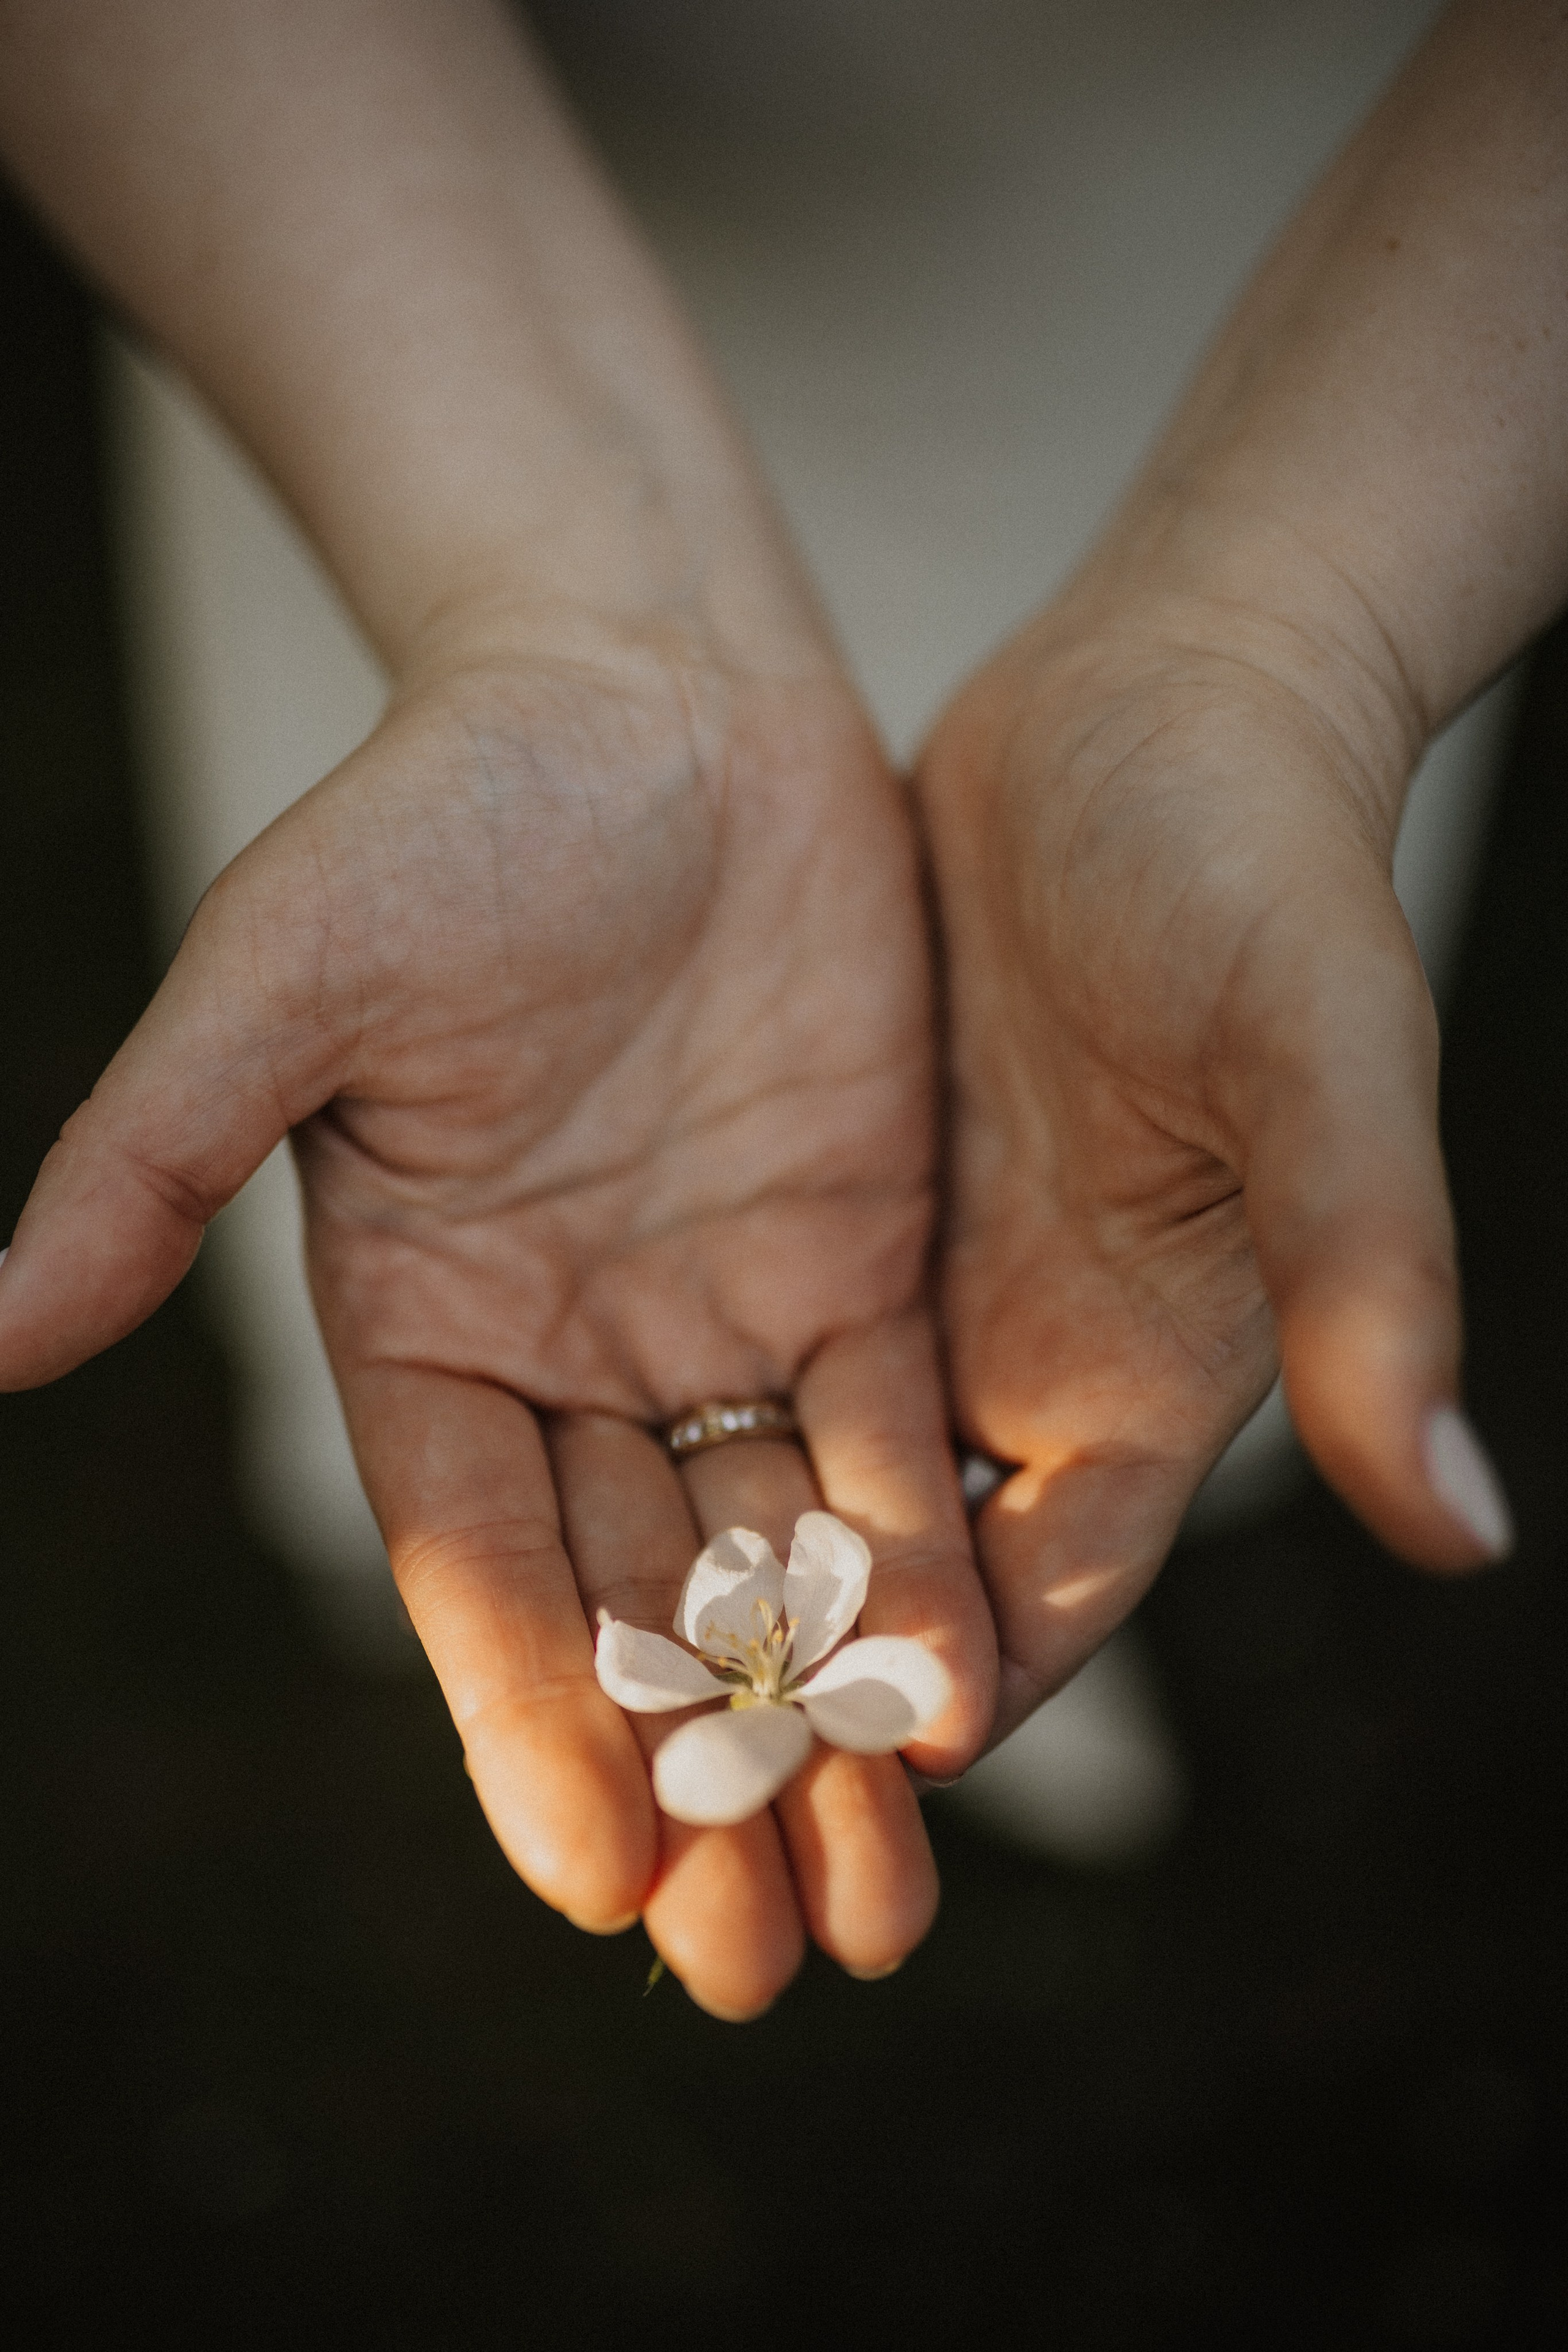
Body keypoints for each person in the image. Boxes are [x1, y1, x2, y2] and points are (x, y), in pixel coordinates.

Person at [0, 0, 1561, 2021]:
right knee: (453, 1198)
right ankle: (453, 1566)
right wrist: (552, 608)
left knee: (1138, 1176)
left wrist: (1290, 638)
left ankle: (980, 1563)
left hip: (1378, 314)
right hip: (383, 256)